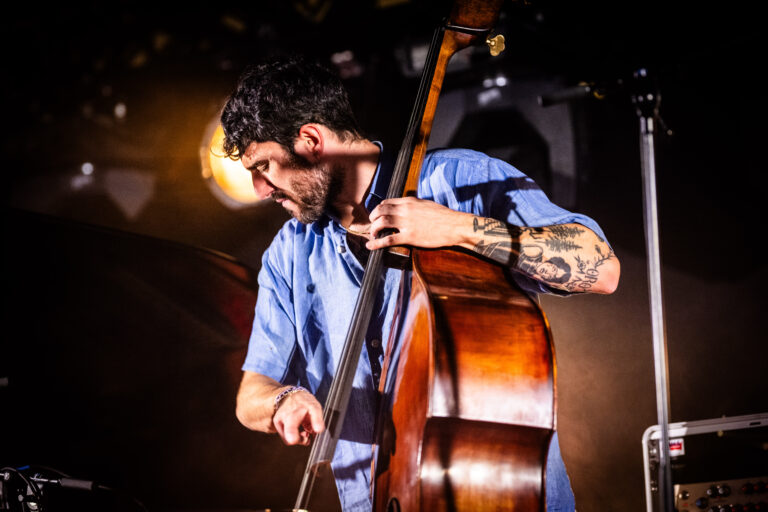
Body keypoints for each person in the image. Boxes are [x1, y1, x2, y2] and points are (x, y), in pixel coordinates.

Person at [220, 55, 620, 512]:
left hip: (501, 494)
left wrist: (460, 228)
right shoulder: (287, 254)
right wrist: (282, 400)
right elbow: (251, 393)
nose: (258, 190)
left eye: (263, 167)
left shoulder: (460, 179)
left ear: (311, 141)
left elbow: (601, 266)